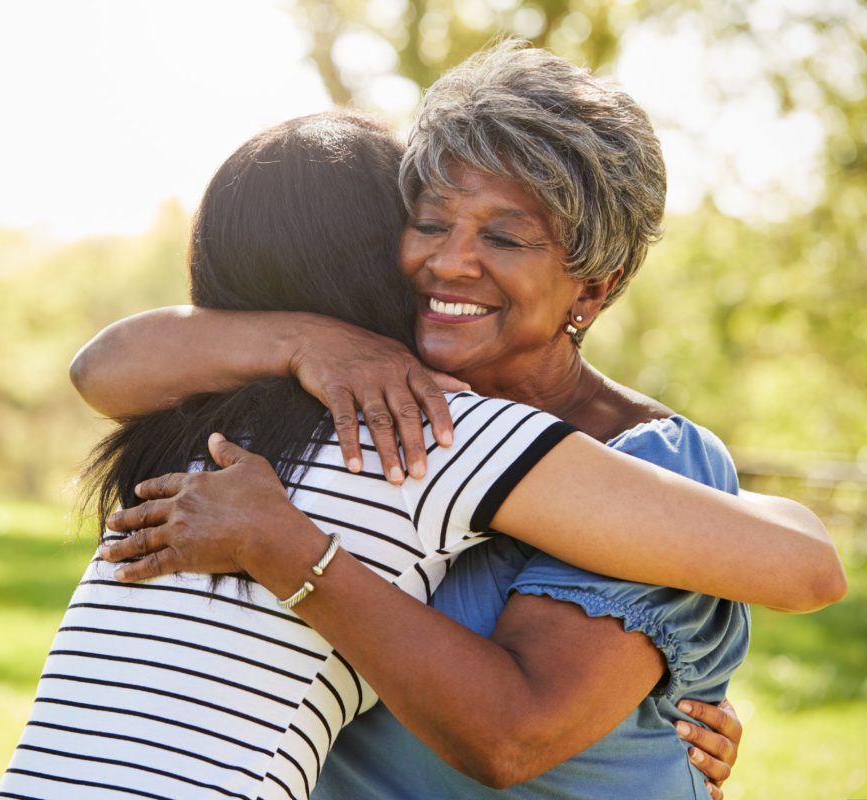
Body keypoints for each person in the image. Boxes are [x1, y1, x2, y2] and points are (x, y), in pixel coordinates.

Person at [77, 43, 845, 800]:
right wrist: (310, 340)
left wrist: (294, 557)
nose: (450, 262)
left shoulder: (640, 456)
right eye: (430, 222)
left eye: (504, 237)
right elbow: (102, 369)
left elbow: (515, 737)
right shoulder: (356, 401)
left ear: (595, 287)